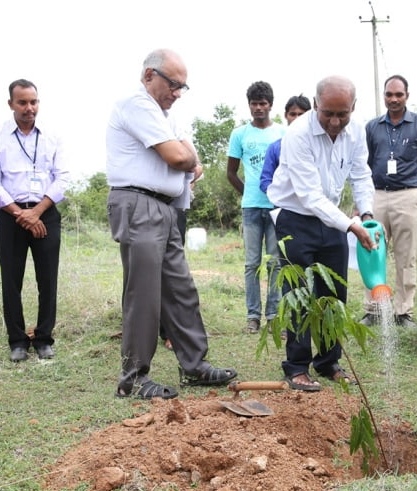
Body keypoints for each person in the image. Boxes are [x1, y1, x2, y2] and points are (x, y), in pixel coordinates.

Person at [105, 48, 237, 399]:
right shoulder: (137, 105)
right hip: (138, 203)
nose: (177, 93)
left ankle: (194, 366)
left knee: (180, 289)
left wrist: (187, 157)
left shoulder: (164, 113)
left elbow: (188, 158)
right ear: (149, 75)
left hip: (164, 207)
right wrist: (186, 156)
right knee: (144, 294)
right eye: (173, 84)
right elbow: (181, 156)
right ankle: (133, 379)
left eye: (183, 87)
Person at [267, 75, 376, 391]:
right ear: (315, 105)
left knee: (333, 295)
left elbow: (360, 174)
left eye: (343, 113)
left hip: (335, 221)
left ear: (353, 108)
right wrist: (351, 224)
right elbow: (309, 196)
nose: (335, 120)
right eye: (328, 113)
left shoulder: (355, 131)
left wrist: (366, 214)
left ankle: (329, 362)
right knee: (298, 294)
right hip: (296, 220)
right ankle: (297, 367)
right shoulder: (297, 134)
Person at [0, 79, 69, 362]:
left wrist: (37, 212)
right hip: (11, 217)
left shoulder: (52, 136)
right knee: (11, 280)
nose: (29, 108)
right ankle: (17, 341)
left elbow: (63, 178)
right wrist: (22, 214)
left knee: (48, 279)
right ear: (11, 104)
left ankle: (44, 339)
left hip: (45, 214)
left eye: (34, 102)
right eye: (22, 102)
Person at [361, 75, 417, 328]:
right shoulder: (372, 127)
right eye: (389, 94)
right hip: (377, 195)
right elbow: (365, 162)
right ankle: (373, 309)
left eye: (399, 95)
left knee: (406, 256)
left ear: (407, 95)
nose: (393, 99)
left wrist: (412, 184)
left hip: (407, 195)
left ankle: (403, 312)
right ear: (384, 95)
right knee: (372, 252)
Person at [226, 82, 286, 334]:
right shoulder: (240, 134)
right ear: (249, 105)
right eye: (254, 103)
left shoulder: (283, 133)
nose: (258, 108)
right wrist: (248, 193)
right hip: (251, 208)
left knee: (275, 263)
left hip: (276, 207)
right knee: (252, 263)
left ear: (270, 105)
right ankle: (253, 316)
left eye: (263, 103)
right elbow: (231, 173)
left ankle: (273, 315)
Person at [159, 165, 203, 351]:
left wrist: (186, 181)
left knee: (172, 271)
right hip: (146, 203)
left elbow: (198, 168)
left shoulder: (180, 138)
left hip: (175, 207)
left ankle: (170, 333)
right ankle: (138, 328)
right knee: (142, 271)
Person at [259, 94, 312, 193]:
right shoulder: (275, 148)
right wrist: (281, 196)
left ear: (309, 116)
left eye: (301, 114)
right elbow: (265, 181)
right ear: (286, 115)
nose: (297, 118)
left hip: (313, 206)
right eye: (293, 114)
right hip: (284, 206)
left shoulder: (318, 146)